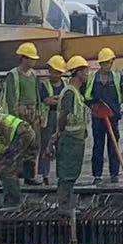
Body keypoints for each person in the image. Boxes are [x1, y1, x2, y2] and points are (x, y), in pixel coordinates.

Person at [3, 43, 46, 186]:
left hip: (32, 114)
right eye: (31, 59)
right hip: (20, 115)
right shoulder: (13, 75)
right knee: (18, 145)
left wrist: (39, 114)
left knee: (33, 146)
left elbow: (38, 96)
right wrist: (15, 120)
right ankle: (12, 176)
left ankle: (29, 176)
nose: (34, 61)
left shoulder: (34, 75)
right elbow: (10, 99)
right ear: (23, 58)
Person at [54, 56, 91, 209]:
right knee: (67, 174)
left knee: (72, 173)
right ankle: (64, 207)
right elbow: (63, 116)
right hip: (69, 139)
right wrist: (60, 134)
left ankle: (67, 205)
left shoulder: (77, 93)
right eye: (85, 71)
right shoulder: (70, 92)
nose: (87, 74)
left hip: (76, 139)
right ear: (78, 73)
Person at [85, 47, 123, 184]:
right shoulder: (92, 78)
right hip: (98, 118)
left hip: (113, 117)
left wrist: (114, 108)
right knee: (98, 146)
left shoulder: (118, 77)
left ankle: (114, 173)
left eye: (108, 62)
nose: (106, 65)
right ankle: (97, 175)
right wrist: (94, 106)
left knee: (113, 146)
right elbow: (87, 96)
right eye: (104, 63)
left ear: (112, 62)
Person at [38, 53, 69, 183]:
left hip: (62, 117)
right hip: (48, 119)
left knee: (61, 146)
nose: (54, 74)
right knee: (45, 146)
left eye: (57, 72)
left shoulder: (66, 84)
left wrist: (56, 100)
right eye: (53, 71)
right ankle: (43, 174)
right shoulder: (44, 85)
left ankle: (61, 174)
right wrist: (56, 100)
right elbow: (46, 100)